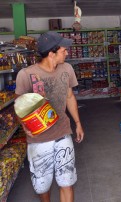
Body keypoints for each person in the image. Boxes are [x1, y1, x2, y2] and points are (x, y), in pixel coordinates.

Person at [15, 31, 84, 202]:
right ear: (51, 53)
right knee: (42, 185)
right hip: (39, 139)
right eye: (63, 50)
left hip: (63, 133)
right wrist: (25, 126)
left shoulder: (67, 69)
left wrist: (78, 123)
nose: (67, 52)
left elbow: (69, 97)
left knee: (66, 181)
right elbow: (19, 106)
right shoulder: (26, 75)